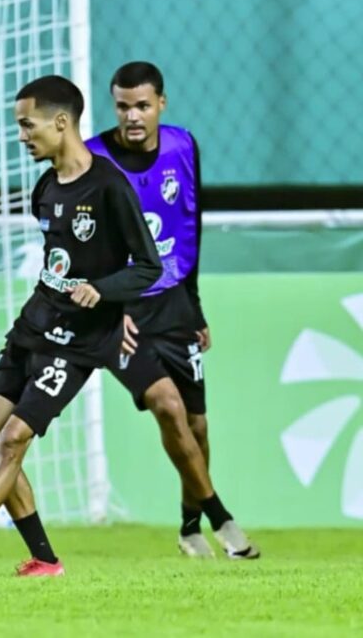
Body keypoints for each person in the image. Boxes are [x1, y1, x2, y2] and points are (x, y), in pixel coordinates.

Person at [0, 75, 162, 578]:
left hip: (79, 342)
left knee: (13, 440)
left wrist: (105, 294)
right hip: (34, 324)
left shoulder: (110, 187)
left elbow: (149, 266)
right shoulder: (46, 188)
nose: (21, 135)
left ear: (61, 123)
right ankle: (45, 559)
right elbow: (59, 263)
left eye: (27, 124)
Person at [87, 61, 259, 559]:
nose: (132, 116)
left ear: (161, 103)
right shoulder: (95, 158)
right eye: (122, 106)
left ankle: (189, 528)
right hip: (121, 313)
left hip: (176, 303)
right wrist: (108, 306)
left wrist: (196, 304)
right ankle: (222, 518)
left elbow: (190, 224)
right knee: (166, 405)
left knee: (198, 426)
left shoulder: (183, 146)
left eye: (142, 105)